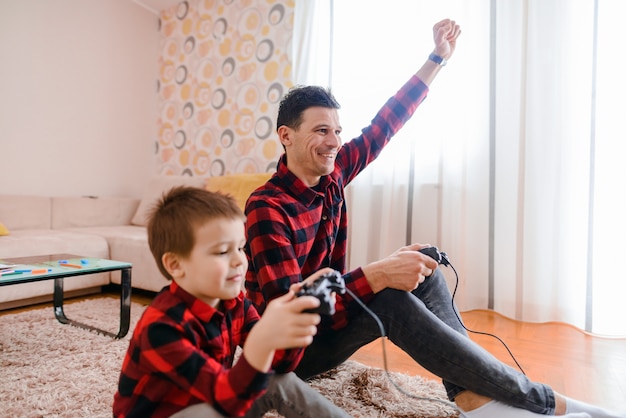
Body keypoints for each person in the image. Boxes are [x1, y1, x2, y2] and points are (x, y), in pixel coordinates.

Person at [244, 18, 625, 418]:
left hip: (327, 327)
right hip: (288, 355)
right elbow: (290, 314)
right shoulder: (266, 207)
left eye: (338, 131)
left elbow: (386, 122)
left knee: (425, 266)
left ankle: (471, 399)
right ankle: (548, 403)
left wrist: (437, 58)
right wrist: (376, 275)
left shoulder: (334, 175)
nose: (334, 142)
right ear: (286, 135)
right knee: (390, 299)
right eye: (322, 130)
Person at [112, 186, 351, 418]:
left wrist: (293, 322)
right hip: (178, 411)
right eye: (222, 252)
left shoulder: (235, 303)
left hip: (215, 396)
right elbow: (229, 401)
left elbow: (279, 364)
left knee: (279, 380)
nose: (239, 260)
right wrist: (262, 340)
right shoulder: (161, 328)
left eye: (241, 247)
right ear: (175, 265)